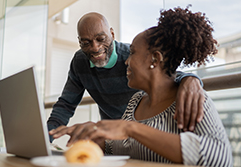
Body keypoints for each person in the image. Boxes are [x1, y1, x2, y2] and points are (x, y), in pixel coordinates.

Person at [50, 7, 233, 166]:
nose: (127, 61)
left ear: (155, 59)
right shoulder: (136, 101)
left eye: (132, 53)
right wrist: (95, 133)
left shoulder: (191, 100)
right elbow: (126, 144)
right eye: (86, 42)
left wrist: (192, 79)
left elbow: (219, 157)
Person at [47, 11, 205, 142]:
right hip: (113, 138)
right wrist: (47, 136)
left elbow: (166, 74)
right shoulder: (80, 62)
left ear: (112, 34)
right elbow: (66, 104)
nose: (95, 47)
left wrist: (190, 79)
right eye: (86, 42)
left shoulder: (135, 55)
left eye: (101, 39)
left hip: (146, 134)